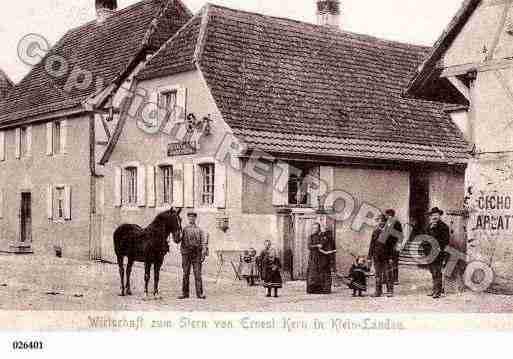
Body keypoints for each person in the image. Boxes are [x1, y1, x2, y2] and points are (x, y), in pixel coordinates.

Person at [174, 212, 208, 299]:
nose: (191, 219)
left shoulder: (199, 230)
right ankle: (185, 293)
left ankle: (199, 294)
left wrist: (203, 253)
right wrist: (177, 234)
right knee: (185, 274)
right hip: (186, 254)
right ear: (188, 219)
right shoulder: (184, 229)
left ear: (195, 218)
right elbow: (177, 240)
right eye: (190, 217)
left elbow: (203, 243)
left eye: (193, 217)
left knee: (198, 274)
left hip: (196, 254)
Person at [424, 207, 450, 299]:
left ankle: (438, 292)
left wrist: (434, 230)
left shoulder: (444, 227)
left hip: (439, 253)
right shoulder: (428, 226)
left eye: (436, 214)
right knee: (432, 272)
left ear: (439, 215)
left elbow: (445, 241)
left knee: (437, 272)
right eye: (432, 215)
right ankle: (434, 289)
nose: (434, 216)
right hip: (429, 253)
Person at [368, 214, 397, 297]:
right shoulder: (375, 231)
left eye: (381, 220)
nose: (379, 222)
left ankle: (390, 291)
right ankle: (378, 291)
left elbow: (392, 246)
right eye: (378, 220)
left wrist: (392, 257)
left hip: (386, 257)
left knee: (388, 274)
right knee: (377, 274)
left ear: (385, 222)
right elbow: (372, 245)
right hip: (376, 256)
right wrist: (369, 257)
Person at [306, 223, 336, 294]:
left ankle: (324, 289)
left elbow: (329, 247)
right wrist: (317, 246)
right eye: (313, 228)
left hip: (323, 258)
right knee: (313, 274)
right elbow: (309, 246)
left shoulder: (325, 237)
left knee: (324, 273)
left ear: (319, 228)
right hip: (314, 258)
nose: (314, 230)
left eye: (315, 228)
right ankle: (313, 290)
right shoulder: (311, 237)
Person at [384, 209, 403, 285]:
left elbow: (400, 235)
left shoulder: (397, 223)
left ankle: (395, 279)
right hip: (387, 246)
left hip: (394, 246)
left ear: (390, 215)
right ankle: (386, 279)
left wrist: (398, 246)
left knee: (395, 263)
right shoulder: (386, 223)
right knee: (386, 262)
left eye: (387, 215)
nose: (386, 216)